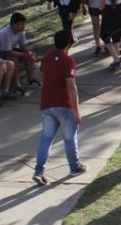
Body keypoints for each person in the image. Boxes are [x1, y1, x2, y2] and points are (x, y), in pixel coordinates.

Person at [32, 30, 86, 186]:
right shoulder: (68, 61)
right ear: (69, 44)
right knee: (69, 138)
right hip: (64, 106)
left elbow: (42, 77)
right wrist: (76, 111)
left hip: (47, 104)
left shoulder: (46, 58)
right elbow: (71, 87)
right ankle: (75, 166)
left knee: (46, 138)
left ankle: (38, 171)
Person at [0, 12, 38, 93]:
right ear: (13, 24)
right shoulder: (6, 33)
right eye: (21, 24)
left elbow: (23, 46)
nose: (23, 26)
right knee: (14, 59)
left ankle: (30, 80)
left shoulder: (21, 32)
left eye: (24, 24)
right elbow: (8, 52)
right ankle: (16, 86)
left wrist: (28, 54)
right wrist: (24, 55)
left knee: (29, 57)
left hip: (9, 50)